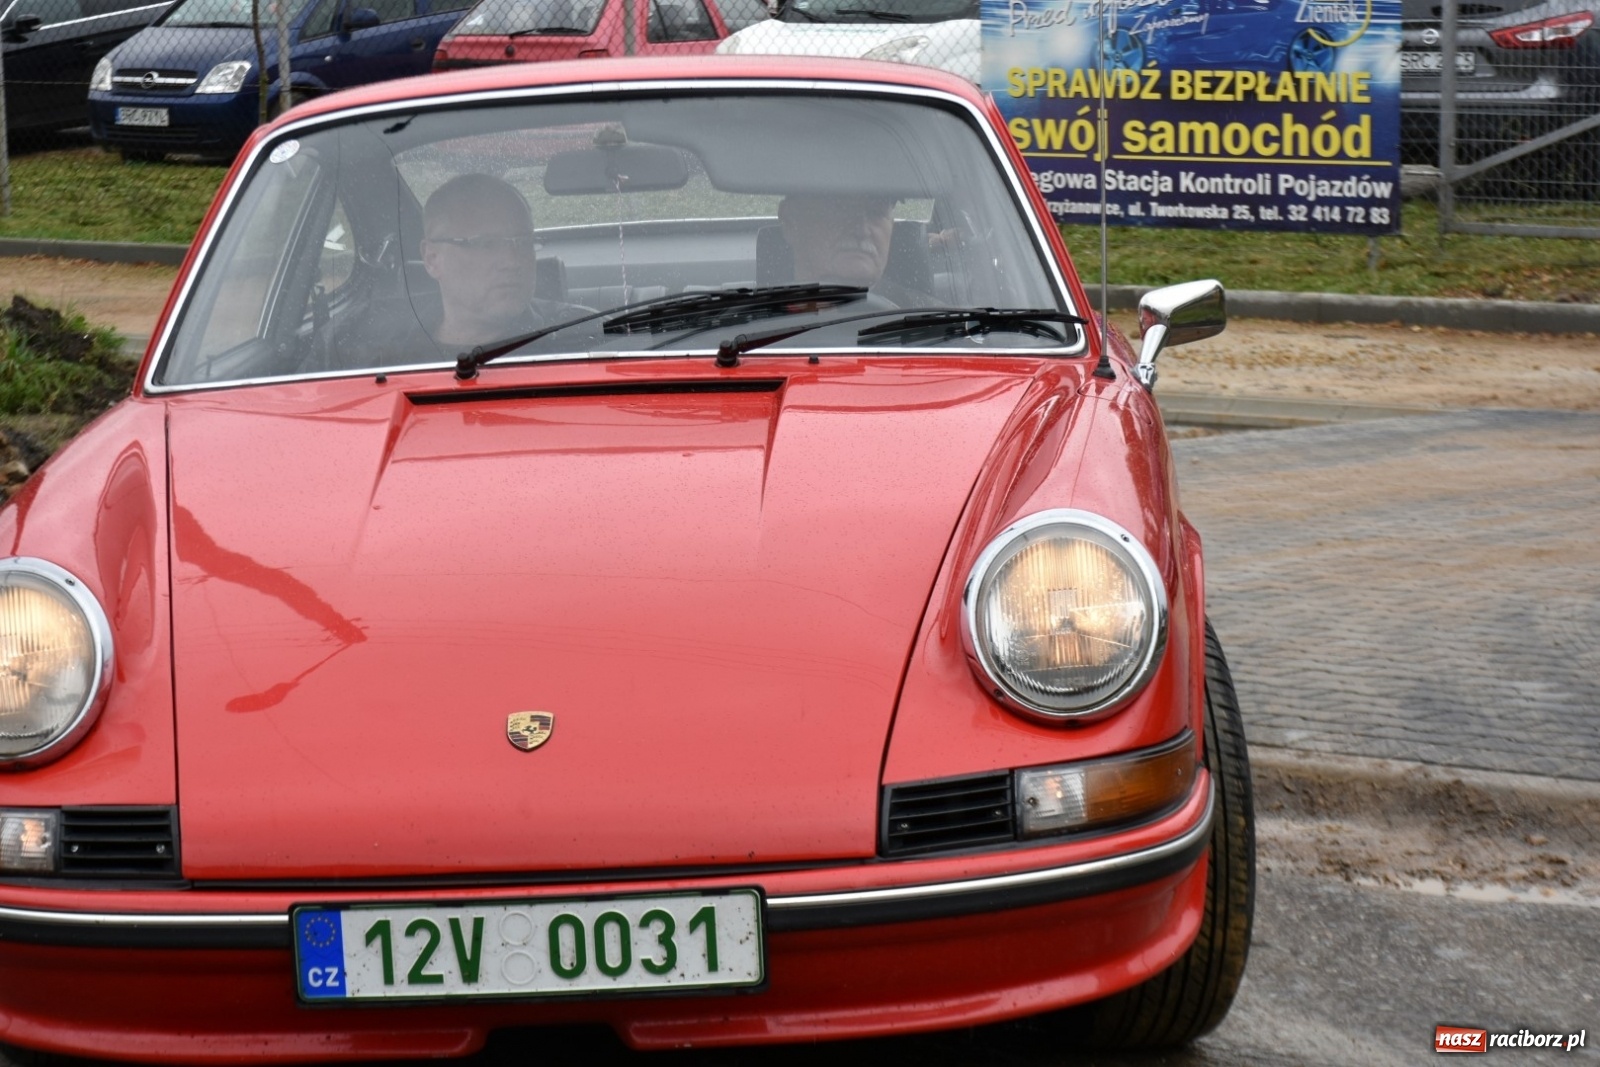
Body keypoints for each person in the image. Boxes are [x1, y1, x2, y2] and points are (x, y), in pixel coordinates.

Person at [419, 173, 584, 351]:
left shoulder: (583, 336)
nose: (512, 262)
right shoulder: (391, 355)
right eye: (486, 244)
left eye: (524, 242)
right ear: (432, 259)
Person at [775, 193, 934, 307]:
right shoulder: (756, 326)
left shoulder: (934, 322)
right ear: (791, 220)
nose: (861, 230)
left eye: (876, 212)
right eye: (841, 210)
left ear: (892, 225)